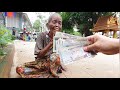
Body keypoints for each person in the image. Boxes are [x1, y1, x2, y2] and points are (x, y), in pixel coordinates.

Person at [16, 13, 64, 78]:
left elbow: (61, 56)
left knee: (55, 56)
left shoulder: (61, 38)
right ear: (47, 25)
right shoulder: (41, 35)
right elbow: (39, 55)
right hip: (41, 64)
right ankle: (48, 72)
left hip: (52, 63)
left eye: (59, 23)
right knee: (19, 68)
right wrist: (51, 43)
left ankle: (49, 72)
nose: (57, 25)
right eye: (54, 22)